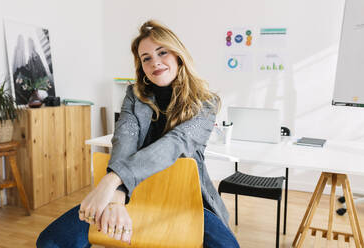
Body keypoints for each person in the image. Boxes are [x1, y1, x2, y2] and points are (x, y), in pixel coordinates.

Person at [36, 20, 240, 248]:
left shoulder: (206, 102)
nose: (155, 62)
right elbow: (124, 140)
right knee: (50, 242)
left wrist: (111, 181)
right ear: (141, 67)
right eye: (146, 58)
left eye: (162, 52)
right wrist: (116, 199)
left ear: (178, 55)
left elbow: (176, 143)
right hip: (134, 192)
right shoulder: (134, 96)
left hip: (187, 199)